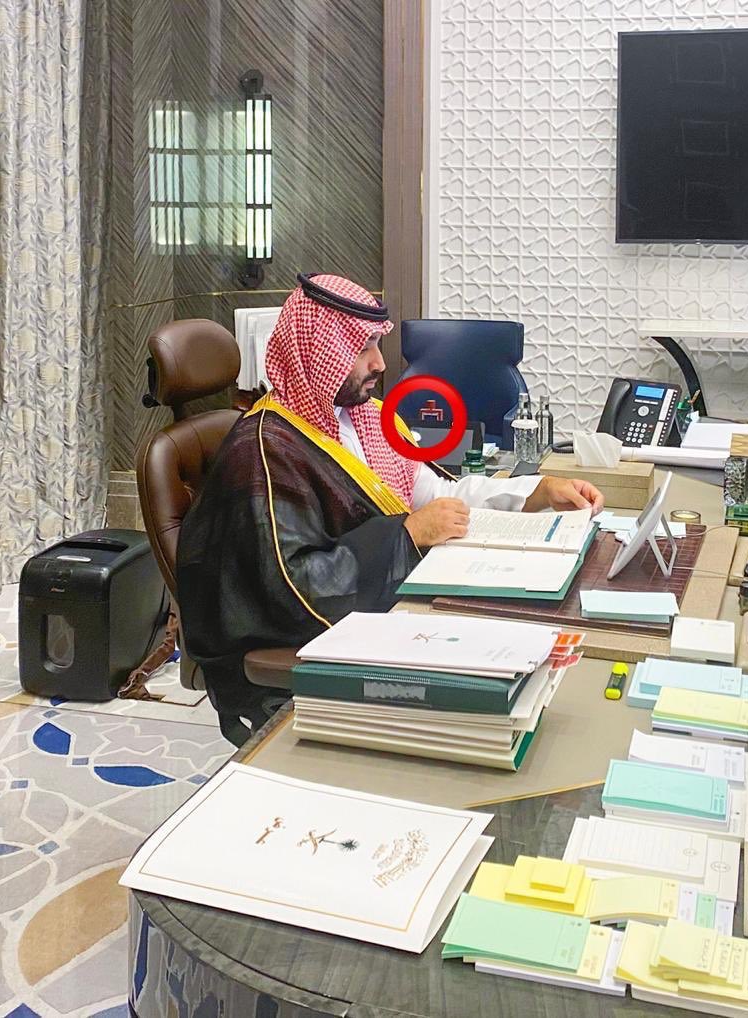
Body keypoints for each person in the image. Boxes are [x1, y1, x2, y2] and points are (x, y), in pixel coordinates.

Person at [175, 273, 602, 744]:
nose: (380, 362)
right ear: (318, 354)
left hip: (381, 607)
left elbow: (434, 495)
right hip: (320, 636)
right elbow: (295, 589)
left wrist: (534, 493)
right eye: (363, 348)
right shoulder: (264, 451)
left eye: (377, 344)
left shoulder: (366, 417)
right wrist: (408, 535)